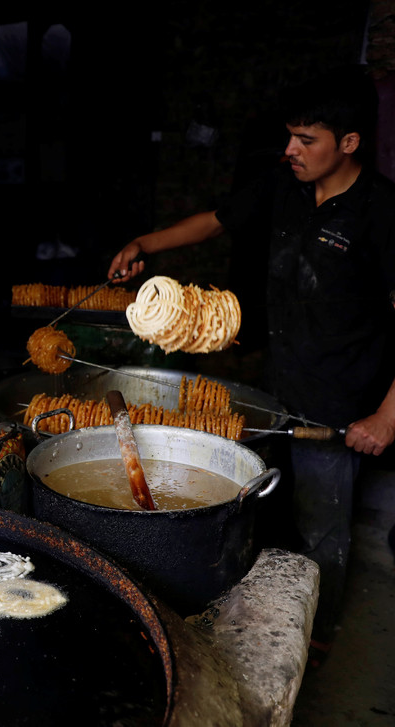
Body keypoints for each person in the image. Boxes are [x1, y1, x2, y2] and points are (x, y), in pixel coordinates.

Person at [108, 68, 395, 658]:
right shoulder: (284, 185)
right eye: (289, 136)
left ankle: (315, 638)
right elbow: (217, 219)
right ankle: (276, 616)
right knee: (270, 510)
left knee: (322, 525)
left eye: (305, 140)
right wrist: (144, 243)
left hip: (341, 398)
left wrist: (388, 416)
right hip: (276, 382)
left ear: (349, 142)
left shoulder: (382, 212)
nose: (290, 151)